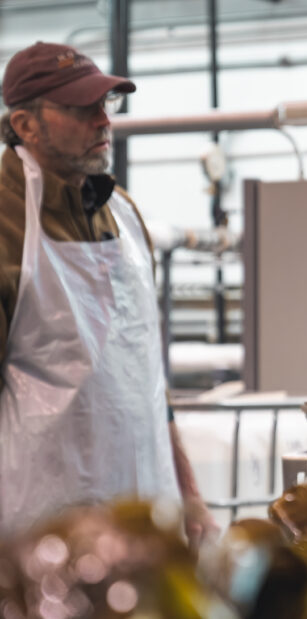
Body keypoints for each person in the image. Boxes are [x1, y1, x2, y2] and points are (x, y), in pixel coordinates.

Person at [0, 41, 219, 545]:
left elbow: (148, 380)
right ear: (25, 125)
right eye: (82, 109)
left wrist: (189, 494)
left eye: (107, 104)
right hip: (41, 534)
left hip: (147, 517)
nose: (103, 120)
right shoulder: (7, 222)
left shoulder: (124, 213)